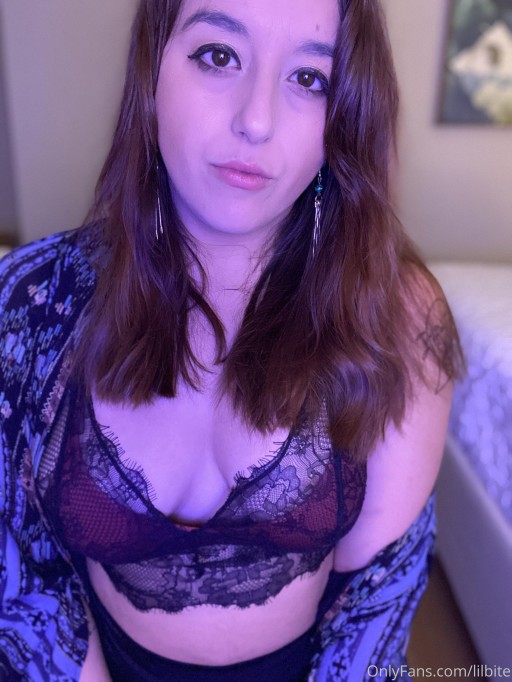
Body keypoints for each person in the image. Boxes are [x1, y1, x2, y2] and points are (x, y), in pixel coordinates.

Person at [0, 0, 462, 680]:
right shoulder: (32, 303)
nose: (256, 120)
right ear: (152, 69)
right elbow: (26, 577)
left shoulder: (397, 318)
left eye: (310, 79)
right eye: (219, 56)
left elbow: (372, 608)